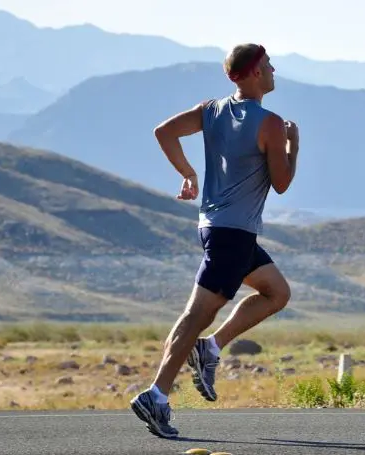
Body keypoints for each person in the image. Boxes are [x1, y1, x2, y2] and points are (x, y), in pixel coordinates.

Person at [130, 43, 300, 439]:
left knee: (277, 292)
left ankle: (211, 347)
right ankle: (156, 395)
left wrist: (188, 173)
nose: (274, 71)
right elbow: (282, 183)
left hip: (217, 228)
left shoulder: (211, 110)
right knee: (195, 315)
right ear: (256, 72)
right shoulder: (272, 124)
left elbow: (164, 132)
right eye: (270, 65)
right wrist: (294, 145)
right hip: (233, 235)